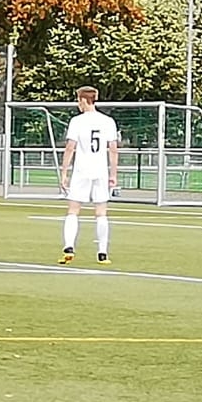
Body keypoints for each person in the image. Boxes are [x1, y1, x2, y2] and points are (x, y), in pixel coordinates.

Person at [58, 85, 119, 266]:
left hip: (81, 170)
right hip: (100, 170)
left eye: (79, 100)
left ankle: (69, 247)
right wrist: (113, 174)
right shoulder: (108, 121)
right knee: (101, 212)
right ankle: (102, 253)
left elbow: (70, 147)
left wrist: (64, 172)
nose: (78, 104)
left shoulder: (77, 121)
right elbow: (113, 149)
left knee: (73, 210)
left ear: (84, 100)